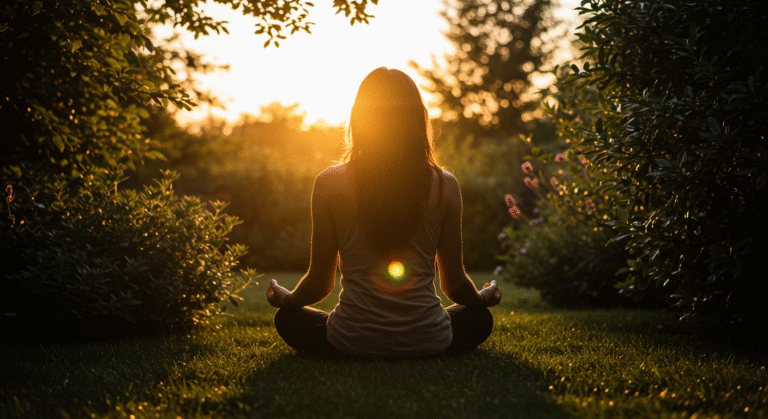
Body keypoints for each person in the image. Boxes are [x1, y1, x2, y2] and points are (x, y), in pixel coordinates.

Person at [266, 67, 502, 359]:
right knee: (480, 318)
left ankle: (358, 337)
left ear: (360, 119)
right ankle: (424, 336)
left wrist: (287, 301)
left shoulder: (329, 183)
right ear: (417, 119)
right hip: (430, 340)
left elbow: (319, 284)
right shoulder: (445, 186)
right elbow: (454, 286)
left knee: (287, 320)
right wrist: (482, 297)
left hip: (350, 341)